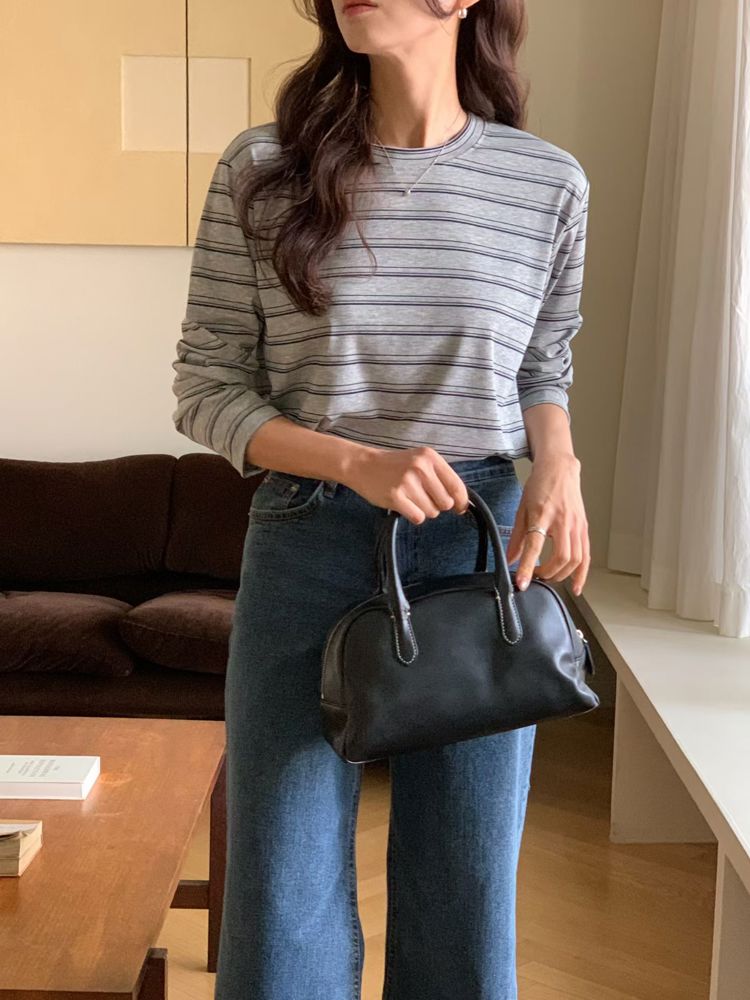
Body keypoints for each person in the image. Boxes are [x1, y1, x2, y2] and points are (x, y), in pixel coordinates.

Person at [171, 1, 591, 996]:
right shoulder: (261, 167)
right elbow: (206, 388)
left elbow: (542, 362)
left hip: (479, 545)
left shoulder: (546, 182)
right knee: (279, 891)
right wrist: (356, 463)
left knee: (467, 883)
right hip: (307, 537)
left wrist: (560, 462)